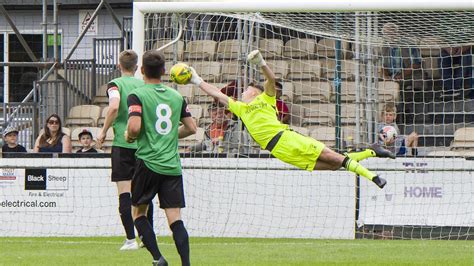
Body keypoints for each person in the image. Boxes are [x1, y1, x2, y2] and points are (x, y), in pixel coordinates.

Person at [189, 50, 395, 189]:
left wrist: (261, 63)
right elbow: (217, 93)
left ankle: (373, 177)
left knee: (335, 158)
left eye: (246, 90)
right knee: (333, 165)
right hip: (278, 150)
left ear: (254, 92)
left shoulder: (265, 99)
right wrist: (196, 79)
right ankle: (372, 151)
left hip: (287, 138)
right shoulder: (241, 109)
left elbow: (271, 79)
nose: (242, 92)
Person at [126, 50, 196, 266]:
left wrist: (129, 134)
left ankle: (158, 259)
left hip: (148, 162)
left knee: (138, 212)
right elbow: (192, 128)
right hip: (172, 166)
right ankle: (186, 264)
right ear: (164, 71)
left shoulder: (137, 95)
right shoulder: (176, 96)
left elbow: (135, 128)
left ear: (142, 70)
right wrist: (166, 136)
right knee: (175, 218)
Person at [96, 50, 153, 250]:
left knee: (124, 193)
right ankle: (147, 238)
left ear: (119, 66)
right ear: (136, 67)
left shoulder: (115, 85)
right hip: (144, 145)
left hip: (123, 144)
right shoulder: (145, 85)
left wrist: (103, 131)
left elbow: (113, 107)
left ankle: (130, 239)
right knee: (144, 193)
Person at [186, 101, 251, 156]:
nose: (219, 116)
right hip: (210, 158)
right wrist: (192, 148)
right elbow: (205, 144)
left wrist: (220, 142)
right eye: (215, 114)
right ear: (210, 115)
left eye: (220, 113)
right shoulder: (208, 129)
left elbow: (239, 144)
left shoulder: (234, 126)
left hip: (228, 158)